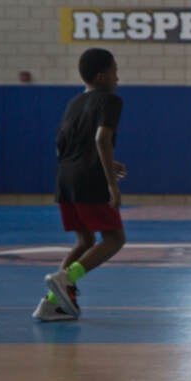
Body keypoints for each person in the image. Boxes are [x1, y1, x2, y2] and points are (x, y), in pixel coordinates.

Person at [32, 48, 127, 322]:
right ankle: (65, 278)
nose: (117, 78)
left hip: (65, 178)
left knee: (84, 240)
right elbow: (100, 139)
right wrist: (111, 184)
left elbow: (64, 145)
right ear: (101, 77)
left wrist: (107, 162)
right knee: (115, 238)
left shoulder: (74, 103)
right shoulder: (110, 101)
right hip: (89, 180)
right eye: (114, 72)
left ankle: (52, 304)